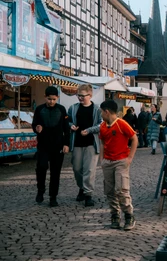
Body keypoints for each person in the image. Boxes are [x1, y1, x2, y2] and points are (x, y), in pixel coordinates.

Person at [83, 99, 137, 231]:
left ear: (106, 112)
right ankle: (115, 215)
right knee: (109, 190)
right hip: (108, 161)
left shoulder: (121, 124)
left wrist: (130, 158)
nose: (101, 114)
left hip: (121, 161)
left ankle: (129, 215)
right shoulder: (102, 126)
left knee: (121, 189)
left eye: (101, 112)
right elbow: (102, 142)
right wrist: (102, 159)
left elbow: (134, 138)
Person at [32, 86, 70, 207]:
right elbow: (34, 125)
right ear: (45, 97)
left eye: (54, 99)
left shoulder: (62, 109)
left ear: (57, 98)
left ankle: (53, 197)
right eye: (49, 99)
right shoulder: (39, 109)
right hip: (43, 145)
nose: (51, 101)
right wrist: (36, 128)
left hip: (57, 146)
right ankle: (40, 191)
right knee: (41, 168)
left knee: (55, 172)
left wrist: (66, 144)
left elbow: (66, 128)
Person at [67, 84, 102, 207]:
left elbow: (101, 125)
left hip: (91, 143)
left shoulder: (97, 109)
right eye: (78, 95)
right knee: (77, 169)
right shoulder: (73, 108)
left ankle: (88, 194)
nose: (80, 98)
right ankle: (82, 187)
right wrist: (71, 125)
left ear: (90, 95)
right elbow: (67, 121)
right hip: (77, 142)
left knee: (89, 169)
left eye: (83, 96)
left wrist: (89, 130)